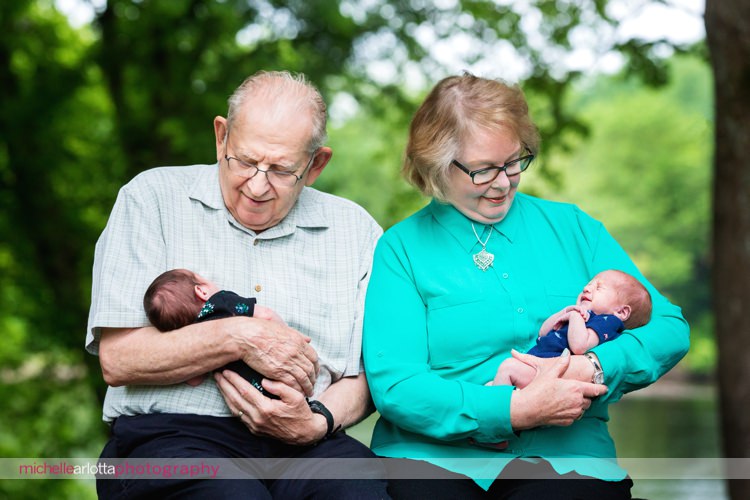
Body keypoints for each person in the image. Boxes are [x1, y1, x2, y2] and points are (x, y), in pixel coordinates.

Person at [362, 73, 689, 499]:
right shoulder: (401, 249)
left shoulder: (573, 227)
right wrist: (512, 410)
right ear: (437, 165)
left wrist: (595, 365)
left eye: (513, 161)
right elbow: (398, 386)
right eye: (482, 170)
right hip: (431, 459)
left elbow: (668, 326)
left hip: (567, 458)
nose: (503, 182)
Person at [86, 70, 388, 498]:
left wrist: (316, 420)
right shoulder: (151, 198)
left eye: (283, 170)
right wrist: (239, 336)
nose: (258, 185)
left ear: (316, 164)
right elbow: (118, 360)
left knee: (358, 491)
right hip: (174, 439)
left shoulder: (357, 232)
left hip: (307, 442)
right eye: (245, 161)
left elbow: (366, 377)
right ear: (221, 136)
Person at [493, 269, 653, 388]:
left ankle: (500, 418)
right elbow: (543, 332)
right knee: (492, 384)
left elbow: (579, 346)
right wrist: (565, 312)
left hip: (552, 371)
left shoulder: (608, 321)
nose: (587, 288)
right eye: (588, 284)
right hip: (538, 364)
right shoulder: (583, 315)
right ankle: (504, 411)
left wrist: (575, 315)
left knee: (508, 368)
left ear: (621, 311)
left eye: (598, 288)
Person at [143, 268, 285, 392]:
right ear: (201, 290)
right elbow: (266, 314)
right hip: (278, 369)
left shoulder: (194, 344)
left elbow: (195, 380)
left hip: (251, 390)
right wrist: (288, 335)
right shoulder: (221, 302)